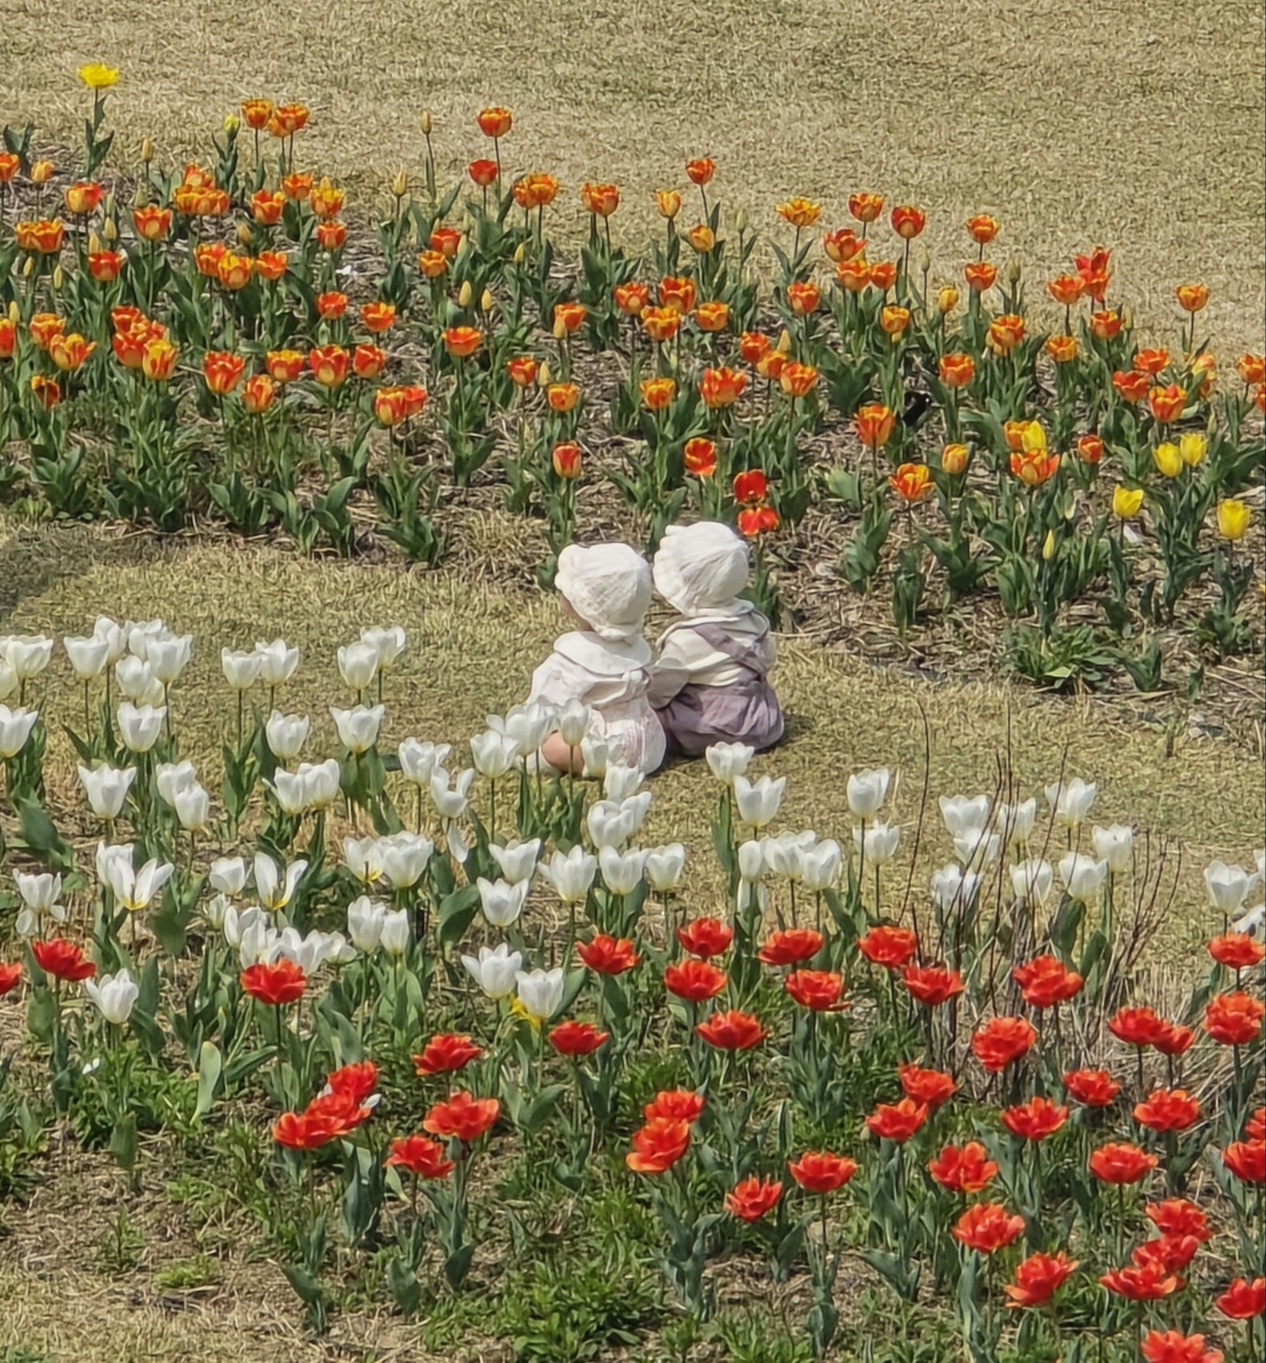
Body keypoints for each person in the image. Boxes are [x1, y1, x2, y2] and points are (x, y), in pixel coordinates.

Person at [526, 542, 666, 774]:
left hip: (603, 746)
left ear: (576, 605)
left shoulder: (571, 659)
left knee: (551, 748)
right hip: (648, 744)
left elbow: (546, 707)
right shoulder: (637, 648)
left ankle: (589, 765)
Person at [648, 521, 784, 757]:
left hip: (712, 728)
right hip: (761, 725)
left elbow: (660, 692)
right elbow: (768, 658)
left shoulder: (687, 640)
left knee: (653, 719)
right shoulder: (755, 622)